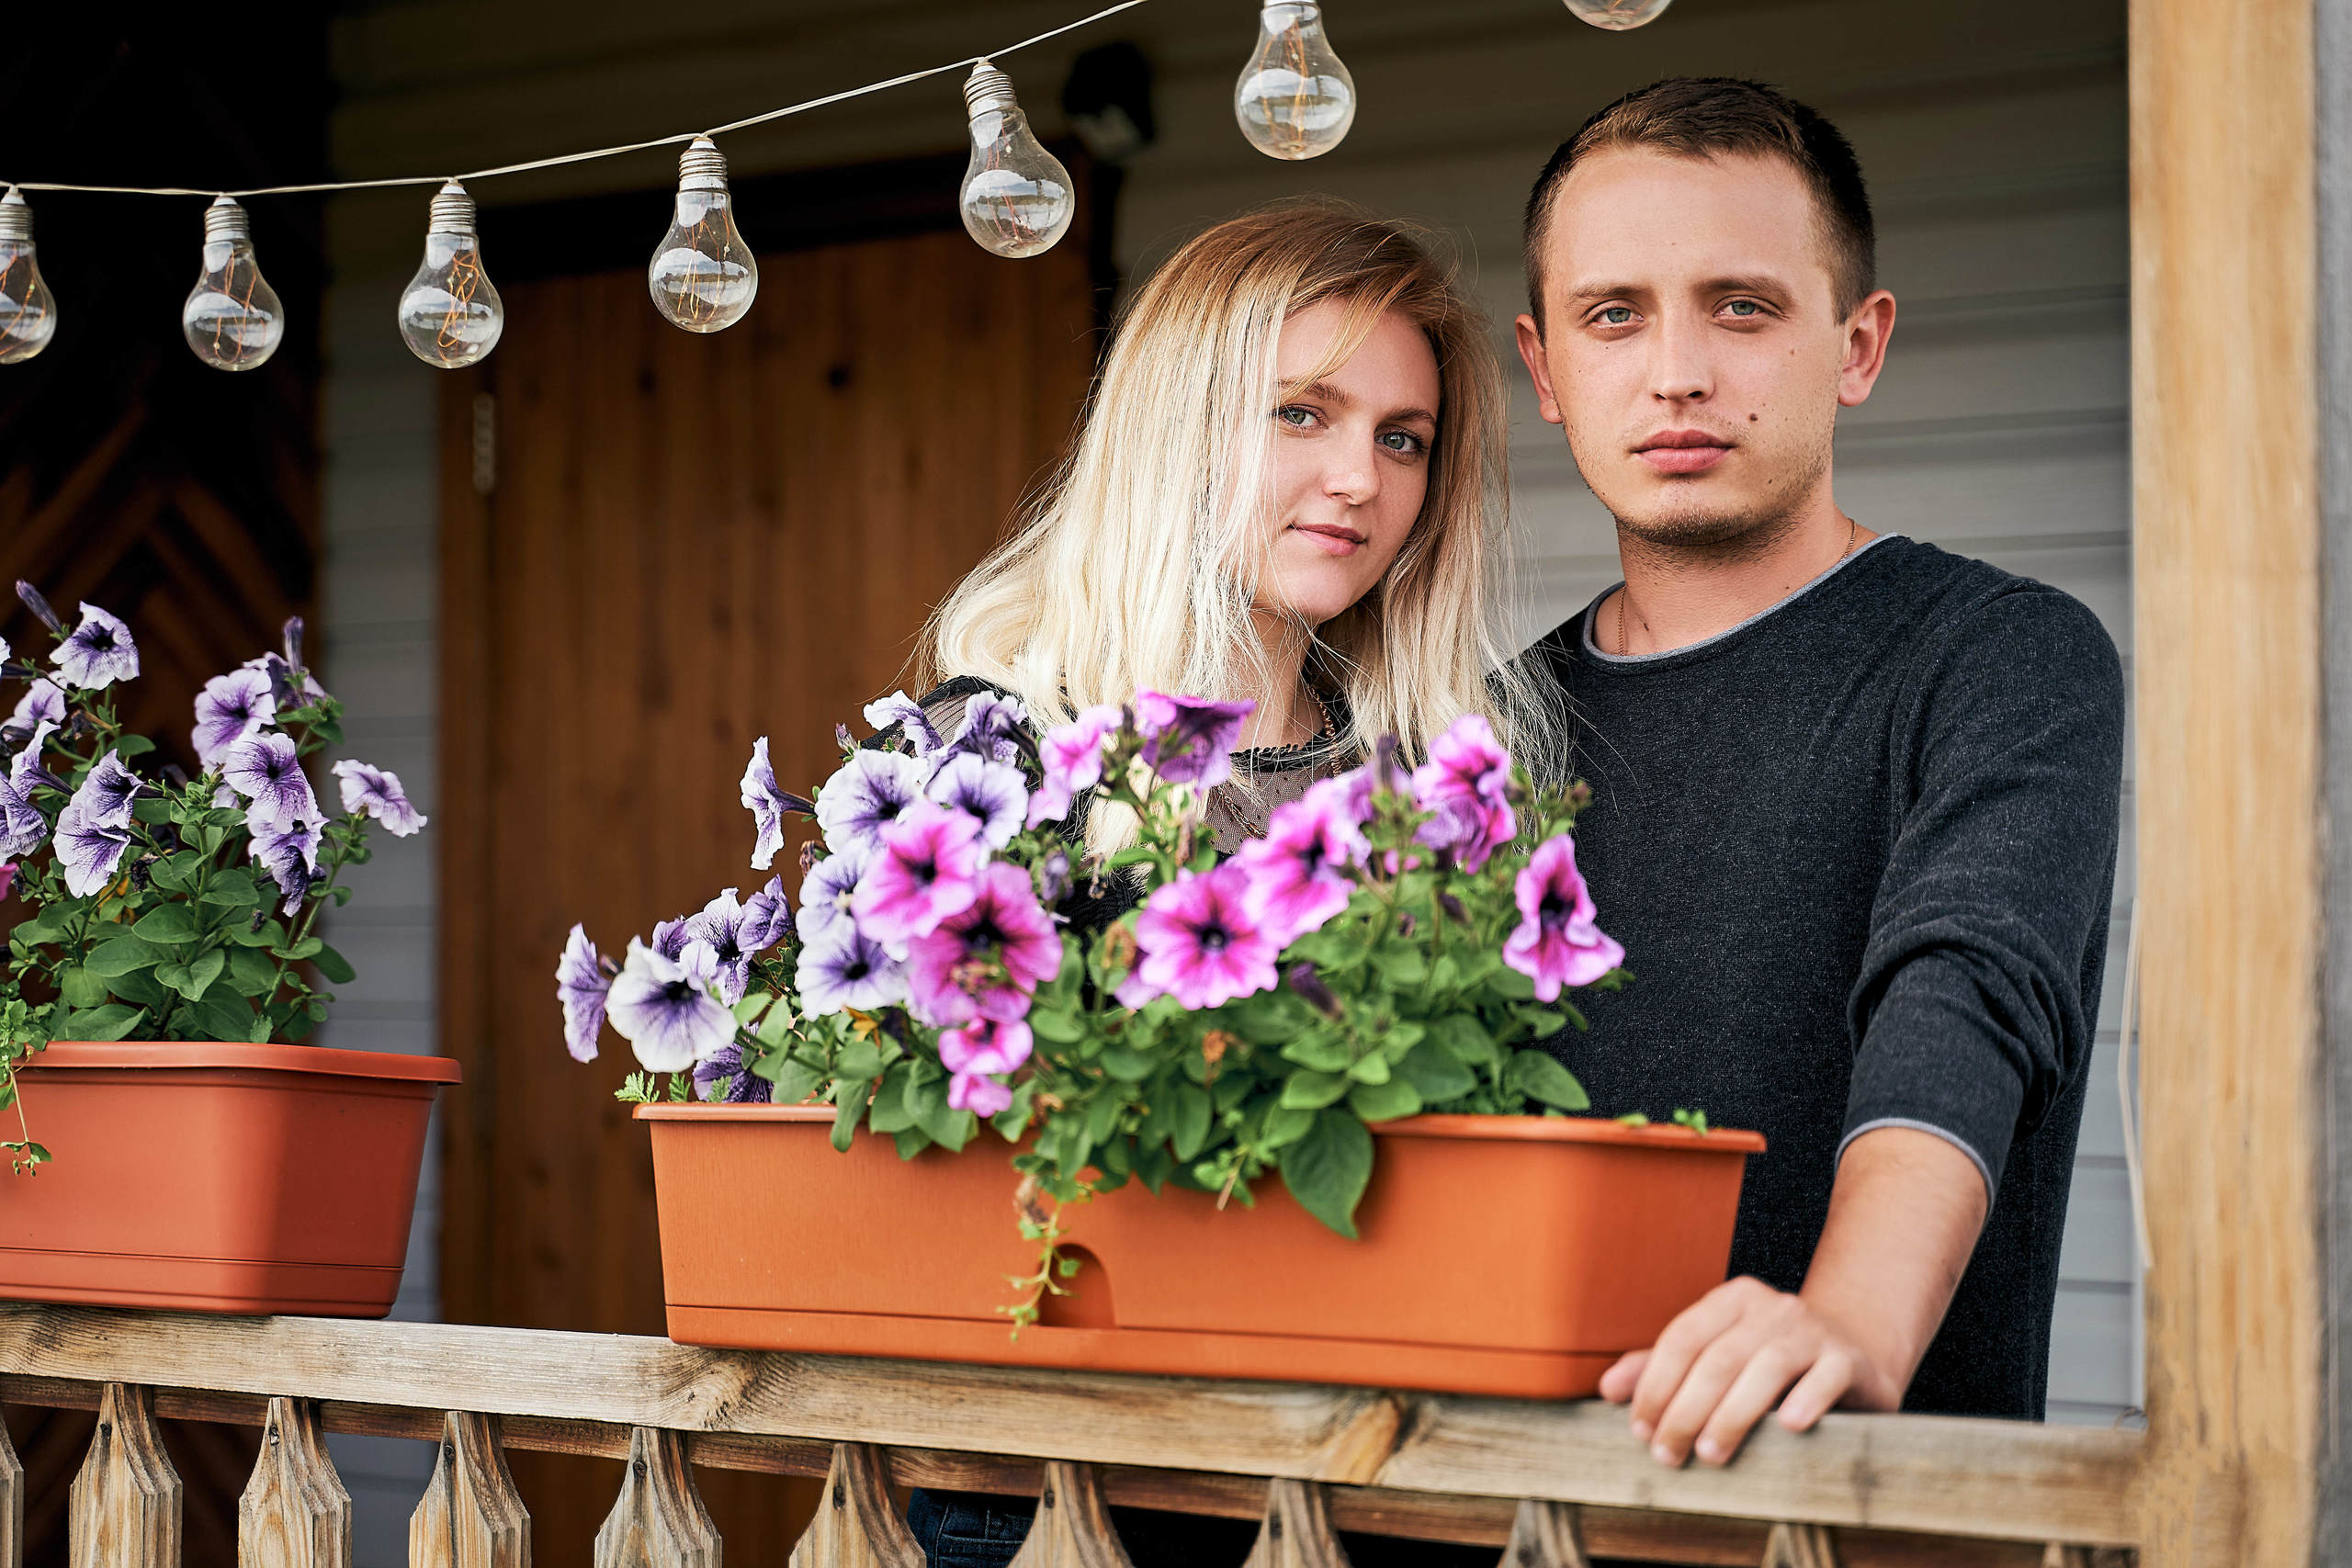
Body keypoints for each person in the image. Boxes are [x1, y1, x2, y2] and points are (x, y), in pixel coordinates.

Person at [900, 200, 1553, 1568]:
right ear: (1177, 426)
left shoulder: (1431, 770)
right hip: (1053, 1489)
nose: (1360, 479)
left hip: (1360, 1479)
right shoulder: (1000, 740)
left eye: (1403, 438)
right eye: (1302, 413)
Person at [1514, 77, 2125, 1467]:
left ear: (1858, 346)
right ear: (1546, 371)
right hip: (1507, 1513)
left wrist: (1849, 1318)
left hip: (1854, 1506)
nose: (1677, 371)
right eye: (1614, 315)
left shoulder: (2000, 656)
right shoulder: (1483, 734)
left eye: (1742, 307)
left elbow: (1969, 991)